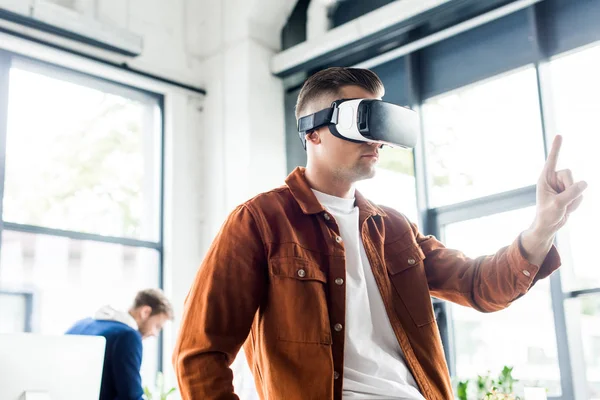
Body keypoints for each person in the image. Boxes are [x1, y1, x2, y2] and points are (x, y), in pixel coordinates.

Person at [172, 67, 587, 400]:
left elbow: (478, 285)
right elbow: (199, 355)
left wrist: (542, 227)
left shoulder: (394, 228)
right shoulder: (258, 222)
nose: (376, 141)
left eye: (379, 122)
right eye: (360, 121)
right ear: (312, 132)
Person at [67, 288, 173, 400]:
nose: (155, 334)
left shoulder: (81, 325)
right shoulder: (127, 336)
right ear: (145, 312)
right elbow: (130, 396)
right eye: (157, 326)